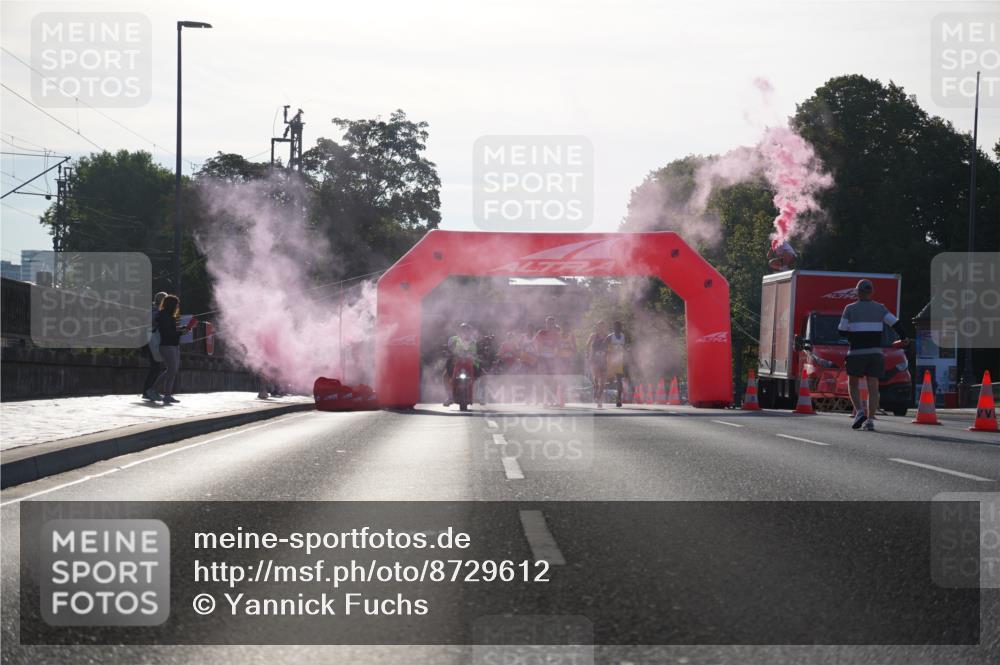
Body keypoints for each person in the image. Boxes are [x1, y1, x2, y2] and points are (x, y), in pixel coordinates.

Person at [837, 279, 908, 431]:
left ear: (857, 292)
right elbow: (895, 323)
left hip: (856, 352)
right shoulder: (880, 308)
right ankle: (870, 420)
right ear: (872, 292)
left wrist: (852, 334)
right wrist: (904, 337)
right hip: (876, 353)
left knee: (853, 383)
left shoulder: (849, 308)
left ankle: (859, 412)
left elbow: (841, 331)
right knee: (873, 387)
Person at [154, 295, 194, 405]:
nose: (177, 306)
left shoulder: (169, 316)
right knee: (171, 370)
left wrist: (182, 329)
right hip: (167, 345)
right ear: (171, 304)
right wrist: (181, 332)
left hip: (174, 345)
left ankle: (167, 395)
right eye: (176, 304)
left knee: (173, 370)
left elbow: (171, 330)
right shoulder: (163, 315)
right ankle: (153, 389)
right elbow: (167, 333)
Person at [443, 323, 478, 407]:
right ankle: (449, 397)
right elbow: (449, 348)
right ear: (459, 331)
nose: (465, 332)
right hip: (457, 363)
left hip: (470, 363)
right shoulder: (453, 339)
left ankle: (480, 396)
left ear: (470, 331)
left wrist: (476, 356)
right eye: (463, 330)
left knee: (482, 375)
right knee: (445, 376)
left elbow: (476, 352)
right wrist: (449, 352)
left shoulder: (473, 341)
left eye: (467, 330)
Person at [140, 292, 167, 401]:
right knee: (155, 367)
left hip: (154, 342)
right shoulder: (154, 311)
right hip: (151, 342)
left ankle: (149, 390)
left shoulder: (155, 310)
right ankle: (148, 391)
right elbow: (151, 323)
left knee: (156, 367)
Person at [533, 316, 560, 406]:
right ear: (546, 323)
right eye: (548, 323)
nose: (550, 325)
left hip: (552, 359)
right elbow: (534, 342)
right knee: (544, 379)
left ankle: (551, 399)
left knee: (552, 379)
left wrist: (556, 354)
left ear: (554, 324)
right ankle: (541, 399)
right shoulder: (541, 332)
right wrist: (538, 351)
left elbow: (558, 346)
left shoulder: (556, 334)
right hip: (542, 358)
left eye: (552, 323)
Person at [587, 320, 610, 408]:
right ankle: (596, 390)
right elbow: (587, 345)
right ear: (597, 327)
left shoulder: (607, 337)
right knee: (596, 378)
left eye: (603, 326)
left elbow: (610, 347)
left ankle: (599, 398)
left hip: (604, 360)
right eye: (600, 326)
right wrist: (588, 355)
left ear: (605, 327)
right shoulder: (593, 335)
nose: (601, 328)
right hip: (595, 360)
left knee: (603, 382)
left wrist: (608, 354)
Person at [607, 321, 628, 408]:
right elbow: (604, 345)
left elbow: (625, 347)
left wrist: (627, 352)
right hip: (611, 360)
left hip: (619, 360)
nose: (617, 329)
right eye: (616, 327)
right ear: (614, 328)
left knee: (619, 380)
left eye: (619, 327)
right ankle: (599, 391)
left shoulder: (623, 336)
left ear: (621, 328)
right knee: (609, 380)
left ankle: (619, 399)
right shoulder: (610, 337)